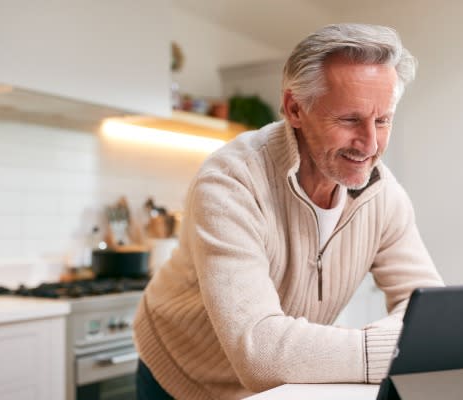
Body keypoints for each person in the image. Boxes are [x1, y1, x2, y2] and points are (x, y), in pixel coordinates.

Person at [133, 23, 444, 400]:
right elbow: (260, 352)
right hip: (182, 376)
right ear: (295, 108)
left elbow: (430, 316)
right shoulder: (231, 181)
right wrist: (387, 349)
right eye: (349, 120)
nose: (370, 143)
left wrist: (412, 341)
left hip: (284, 385)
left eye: (383, 120)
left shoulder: (383, 194)